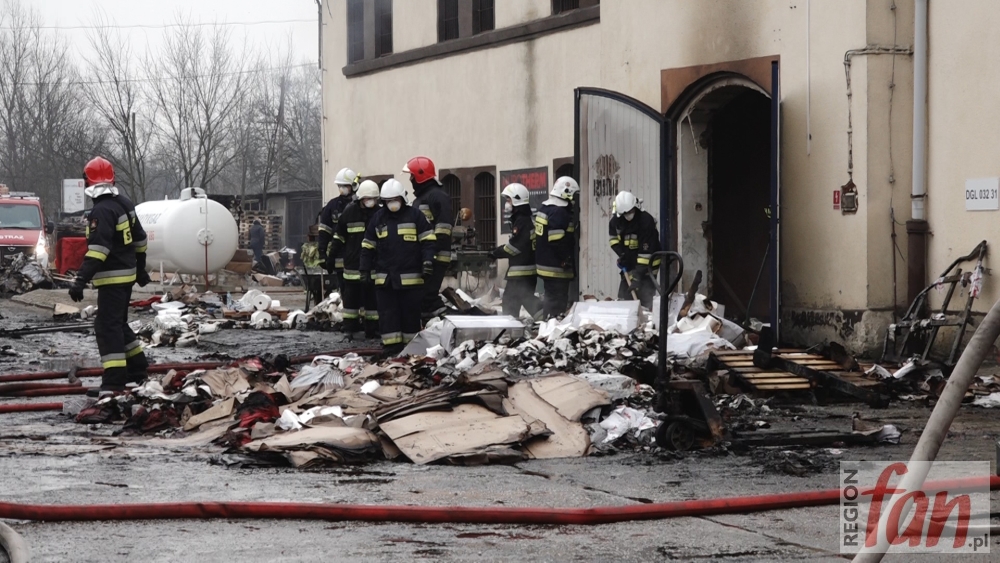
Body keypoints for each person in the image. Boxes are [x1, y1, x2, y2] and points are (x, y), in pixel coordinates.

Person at [69, 157, 150, 396]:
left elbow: (98, 250)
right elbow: (141, 238)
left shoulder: (101, 211)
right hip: (126, 277)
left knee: (106, 326)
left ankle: (114, 381)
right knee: (118, 324)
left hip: (112, 279)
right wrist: (141, 268)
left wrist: (80, 280)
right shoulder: (124, 203)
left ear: (88, 182)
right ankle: (138, 370)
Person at [359, 179, 437, 355]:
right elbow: (367, 246)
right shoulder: (378, 219)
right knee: (388, 316)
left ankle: (412, 350)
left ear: (402, 198)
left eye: (395, 199)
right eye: (388, 200)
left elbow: (428, 242)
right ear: (383, 202)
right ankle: (391, 349)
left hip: (411, 280)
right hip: (386, 281)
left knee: (410, 316)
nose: (392, 204)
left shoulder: (416, 216)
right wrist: (364, 269)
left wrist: (428, 261)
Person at [330, 180, 382, 339]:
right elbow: (339, 235)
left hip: (373, 265)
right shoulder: (349, 212)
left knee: (372, 302)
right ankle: (349, 330)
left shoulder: (380, 214)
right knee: (350, 301)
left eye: (373, 199)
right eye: (367, 199)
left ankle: (372, 330)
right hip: (352, 265)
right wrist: (332, 255)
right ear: (360, 199)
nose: (370, 202)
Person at [404, 156, 453, 320]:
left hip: (435, 256)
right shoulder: (421, 198)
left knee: (428, 296)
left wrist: (431, 255)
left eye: (412, 175)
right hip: (424, 256)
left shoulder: (437, 196)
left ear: (420, 175)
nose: (410, 179)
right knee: (423, 298)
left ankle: (449, 322)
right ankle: (433, 327)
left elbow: (444, 229)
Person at [489, 183, 541, 317]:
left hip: (521, 273)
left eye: (508, 200)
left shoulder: (522, 221)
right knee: (524, 299)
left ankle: (511, 327)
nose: (507, 203)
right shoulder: (524, 219)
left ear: (517, 200)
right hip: (525, 273)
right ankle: (544, 316)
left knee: (510, 301)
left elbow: (514, 248)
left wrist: (496, 253)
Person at [534, 176, 580, 319]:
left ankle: (548, 323)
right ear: (566, 192)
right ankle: (552, 326)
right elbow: (557, 240)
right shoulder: (559, 212)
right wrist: (565, 259)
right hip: (556, 267)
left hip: (544, 263)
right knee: (557, 300)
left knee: (550, 297)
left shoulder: (545, 208)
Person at [609, 190, 661, 309]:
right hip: (630, 267)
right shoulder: (616, 222)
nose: (629, 214)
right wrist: (622, 254)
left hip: (648, 267)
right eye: (626, 213)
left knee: (645, 299)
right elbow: (613, 240)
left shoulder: (646, 221)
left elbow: (646, 253)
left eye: (631, 211)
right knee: (624, 299)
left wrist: (637, 278)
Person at [317, 167, 359, 287]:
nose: (342, 188)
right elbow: (324, 231)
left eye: (345, 185)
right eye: (340, 185)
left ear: (353, 186)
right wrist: (322, 254)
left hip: (358, 260)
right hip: (339, 260)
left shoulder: (360, 205)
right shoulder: (332, 206)